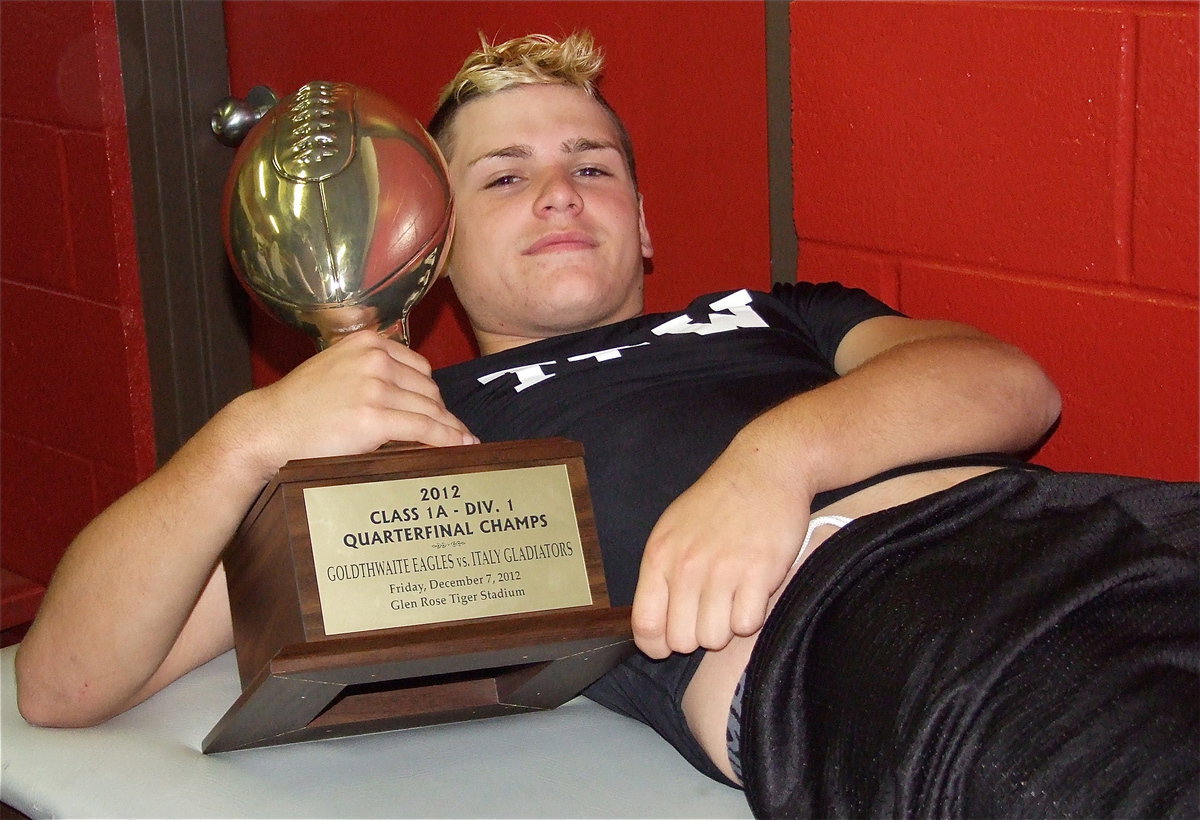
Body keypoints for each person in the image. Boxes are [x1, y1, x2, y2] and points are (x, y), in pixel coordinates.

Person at [15, 30, 1197, 818]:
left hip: (1105, 525)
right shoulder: (423, 431)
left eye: (593, 165)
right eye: (502, 176)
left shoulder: (774, 312)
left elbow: (1008, 384)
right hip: (897, 640)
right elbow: (62, 682)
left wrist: (771, 462)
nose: (559, 191)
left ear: (642, 226)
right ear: (431, 249)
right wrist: (251, 435)